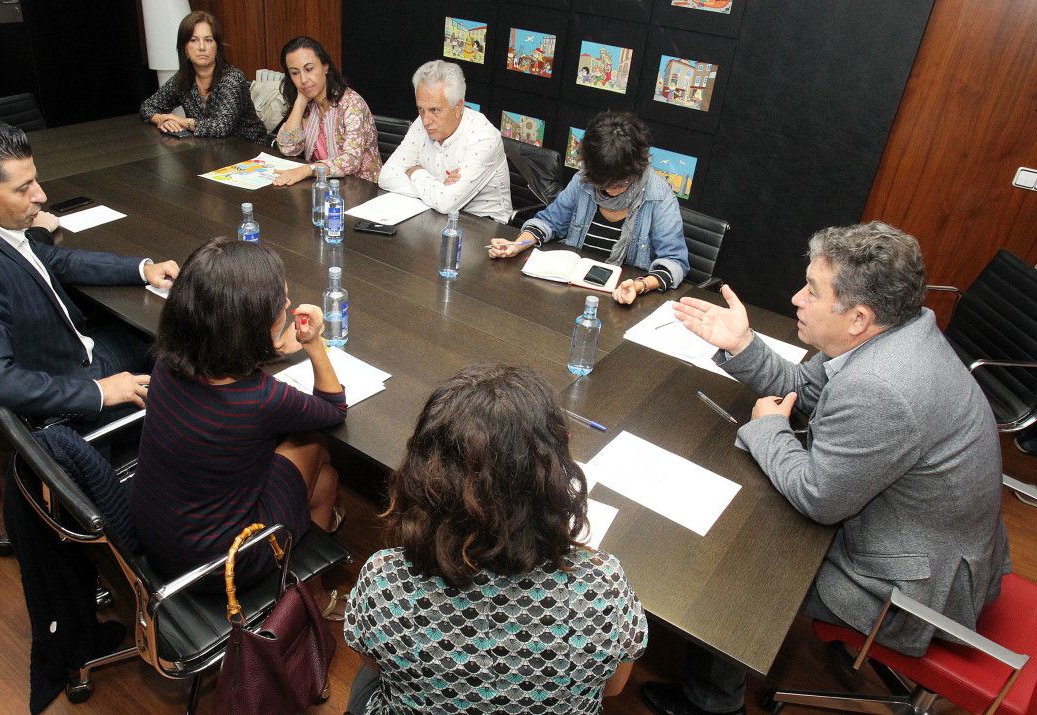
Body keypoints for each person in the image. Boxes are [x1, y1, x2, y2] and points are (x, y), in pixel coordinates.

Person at [639, 222, 1011, 715]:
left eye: (812, 291)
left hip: (911, 587)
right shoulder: (893, 331)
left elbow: (819, 498)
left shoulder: (884, 388)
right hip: (928, 537)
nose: (796, 297)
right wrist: (741, 344)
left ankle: (713, 705)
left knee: (735, 563)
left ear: (858, 317)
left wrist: (768, 428)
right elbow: (804, 390)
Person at [345, 363, 647, 714]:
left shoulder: (384, 580)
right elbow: (613, 687)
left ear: (425, 470)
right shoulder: (604, 587)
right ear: (551, 471)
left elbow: (374, 664)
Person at [0, 114, 179, 425]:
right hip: (72, 387)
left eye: (34, 180)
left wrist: (141, 269)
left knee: (159, 329)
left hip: (67, 350)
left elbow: (55, 260)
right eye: (22, 188)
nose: (41, 196)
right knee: (189, 345)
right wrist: (97, 391)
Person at [130, 238, 346, 590]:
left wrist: (270, 343)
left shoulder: (167, 363)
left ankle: (312, 570)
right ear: (250, 325)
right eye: (281, 302)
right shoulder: (258, 399)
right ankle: (310, 596)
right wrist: (314, 343)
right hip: (220, 563)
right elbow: (334, 408)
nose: (288, 305)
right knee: (314, 444)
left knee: (327, 481)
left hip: (157, 535)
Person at [489, 110, 689, 303]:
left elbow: (674, 262)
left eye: (620, 183)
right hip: (570, 291)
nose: (611, 190)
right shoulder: (583, 181)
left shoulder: (659, 197)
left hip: (622, 296)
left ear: (637, 168)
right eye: (603, 182)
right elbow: (549, 222)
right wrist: (517, 245)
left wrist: (640, 285)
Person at [378, 60, 512, 223]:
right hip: (433, 216)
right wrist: (440, 188)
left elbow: (447, 203)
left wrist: (415, 172)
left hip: (483, 226)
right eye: (421, 109)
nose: (426, 120)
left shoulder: (484, 137)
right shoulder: (421, 124)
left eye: (435, 110)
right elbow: (386, 176)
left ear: (458, 106)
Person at [139, 10, 269, 143]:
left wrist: (181, 121)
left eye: (208, 40)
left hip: (250, 149)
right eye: (194, 40)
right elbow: (148, 107)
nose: (201, 47)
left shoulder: (232, 78)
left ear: (217, 46)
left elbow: (221, 127)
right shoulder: (182, 80)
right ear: (184, 48)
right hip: (209, 150)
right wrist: (161, 119)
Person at [271, 36, 382, 186]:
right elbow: (288, 148)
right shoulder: (309, 105)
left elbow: (352, 160)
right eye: (295, 73)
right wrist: (301, 101)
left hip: (361, 189)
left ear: (325, 66)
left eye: (309, 69)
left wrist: (307, 170)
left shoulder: (352, 103)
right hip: (324, 185)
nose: (303, 79)